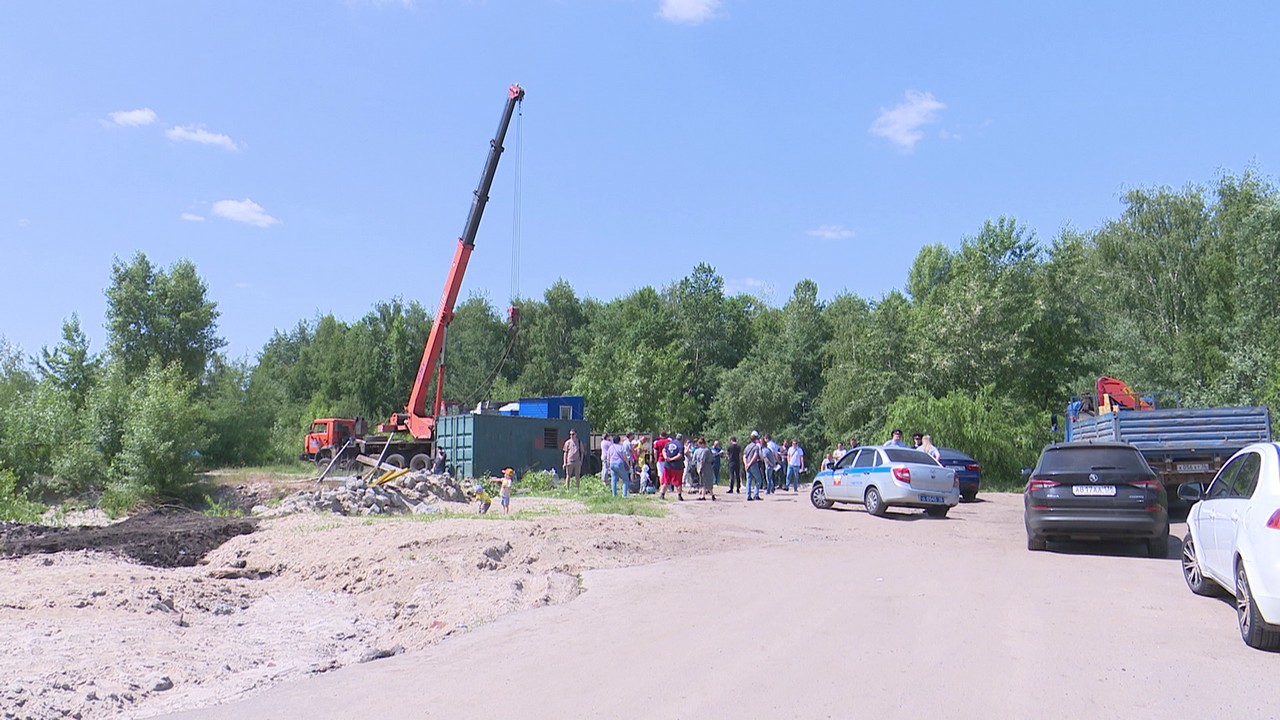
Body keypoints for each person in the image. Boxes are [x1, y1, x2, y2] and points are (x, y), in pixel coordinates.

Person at [660, 433, 685, 501]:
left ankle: (662, 494)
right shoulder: (681, 445)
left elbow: (663, 450)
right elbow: (680, 455)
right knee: (678, 482)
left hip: (668, 465)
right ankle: (679, 496)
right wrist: (672, 459)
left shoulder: (669, 443)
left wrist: (666, 457)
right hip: (677, 466)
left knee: (666, 481)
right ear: (681, 439)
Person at [743, 432, 764, 501]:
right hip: (753, 465)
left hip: (747, 465)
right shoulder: (756, 447)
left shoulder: (747, 446)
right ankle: (756, 494)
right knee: (759, 480)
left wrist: (746, 464)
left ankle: (748, 496)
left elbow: (744, 456)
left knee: (748, 480)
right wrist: (750, 464)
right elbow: (755, 456)